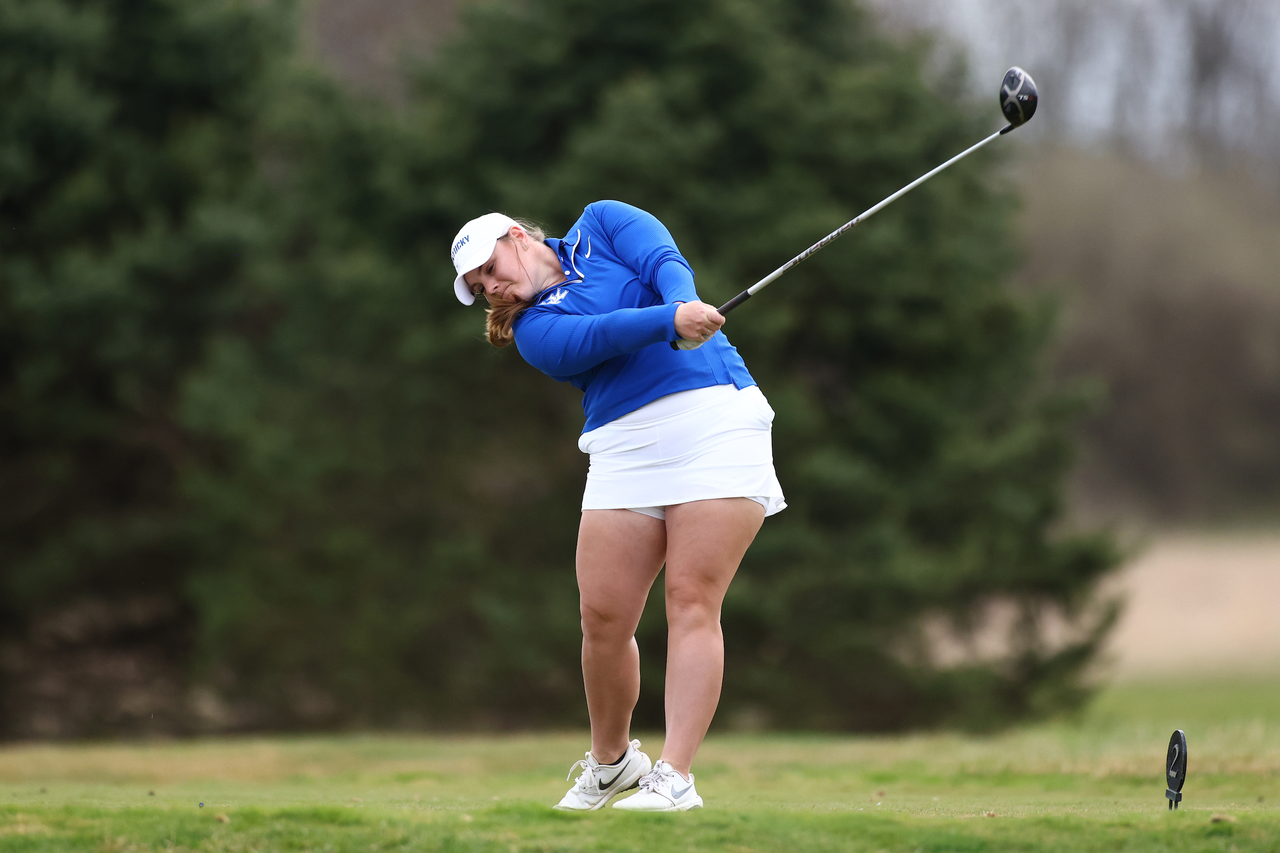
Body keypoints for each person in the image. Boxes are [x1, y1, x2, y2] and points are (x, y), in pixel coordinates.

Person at [450, 200, 785, 812]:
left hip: (714, 419)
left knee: (691, 598)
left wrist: (684, 308)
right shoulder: (533, 333)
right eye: (479, 286)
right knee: (603, 619)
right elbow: (596, 337)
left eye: (490, 267)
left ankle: (675, 777)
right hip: (622, 445)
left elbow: (662, 260)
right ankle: (612, 765)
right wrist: (668, 321)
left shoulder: (602, 221)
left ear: (518, 236)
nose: (491, 286)